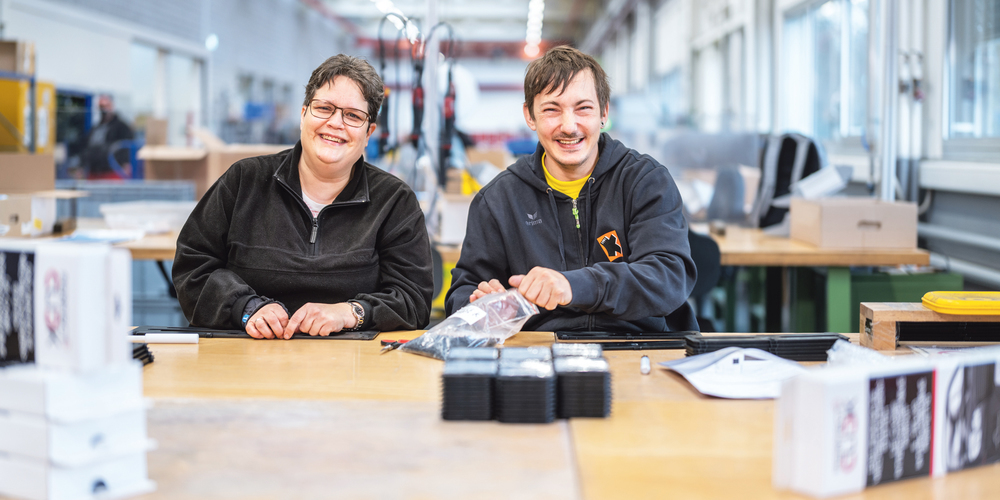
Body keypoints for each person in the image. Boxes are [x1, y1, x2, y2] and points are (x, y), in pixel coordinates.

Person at [173, 54, 434, 339]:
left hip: (350, 367)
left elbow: (413, 301)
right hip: (246, 357)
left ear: (369, 132)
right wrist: (244, 306)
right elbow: (193, 266)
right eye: (324, 108)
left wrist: (351, 312)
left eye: (353, 116)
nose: (336, 123)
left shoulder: (394, 201)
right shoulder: (243, 182)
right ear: (303, 115)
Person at [444, 46, 698, 333]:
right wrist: (481, 305)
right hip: (538, 354)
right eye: (552, 109)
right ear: (530, 116)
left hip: (636, 346)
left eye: (583, 108)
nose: (568, 126)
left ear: (603, 111)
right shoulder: (498, 200)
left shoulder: (645, 182)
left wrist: (573, 285)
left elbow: (668, 279)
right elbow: (461, 294)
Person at [71, 95, 135, 179]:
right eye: (101, 106)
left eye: (106, 106)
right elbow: (86, 148)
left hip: (112, 172)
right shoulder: (94, 129)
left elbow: (127, 146)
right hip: (94, 172)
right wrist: (81, 166)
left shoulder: (122, 127)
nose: (104, 109)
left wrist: (125, 163)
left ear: (112, 106)